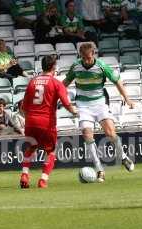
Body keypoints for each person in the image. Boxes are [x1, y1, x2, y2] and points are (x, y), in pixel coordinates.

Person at [63, 42, 135, 182]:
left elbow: (117, 81)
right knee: (87, 135)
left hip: (100, 102)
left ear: (93, 54)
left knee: (110, 133)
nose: (86, 60)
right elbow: (65, 82)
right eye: (84, 58)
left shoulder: (101, 66)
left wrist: (127, 99)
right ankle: (99, 170)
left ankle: (123, 157)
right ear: (80, 56)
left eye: (88, 58)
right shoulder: (76, 66)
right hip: (83, 105)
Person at [20, 55, 78, 188]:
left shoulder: (32, 81)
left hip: (30, 122)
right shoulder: (56, 83)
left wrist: (30, 118)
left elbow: (23, 107)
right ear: (53, 67)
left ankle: (24, 174)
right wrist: (75, 112)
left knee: (31, 148)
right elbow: (66, 103)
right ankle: (43, 180)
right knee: (50, 151)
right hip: (46, 123)